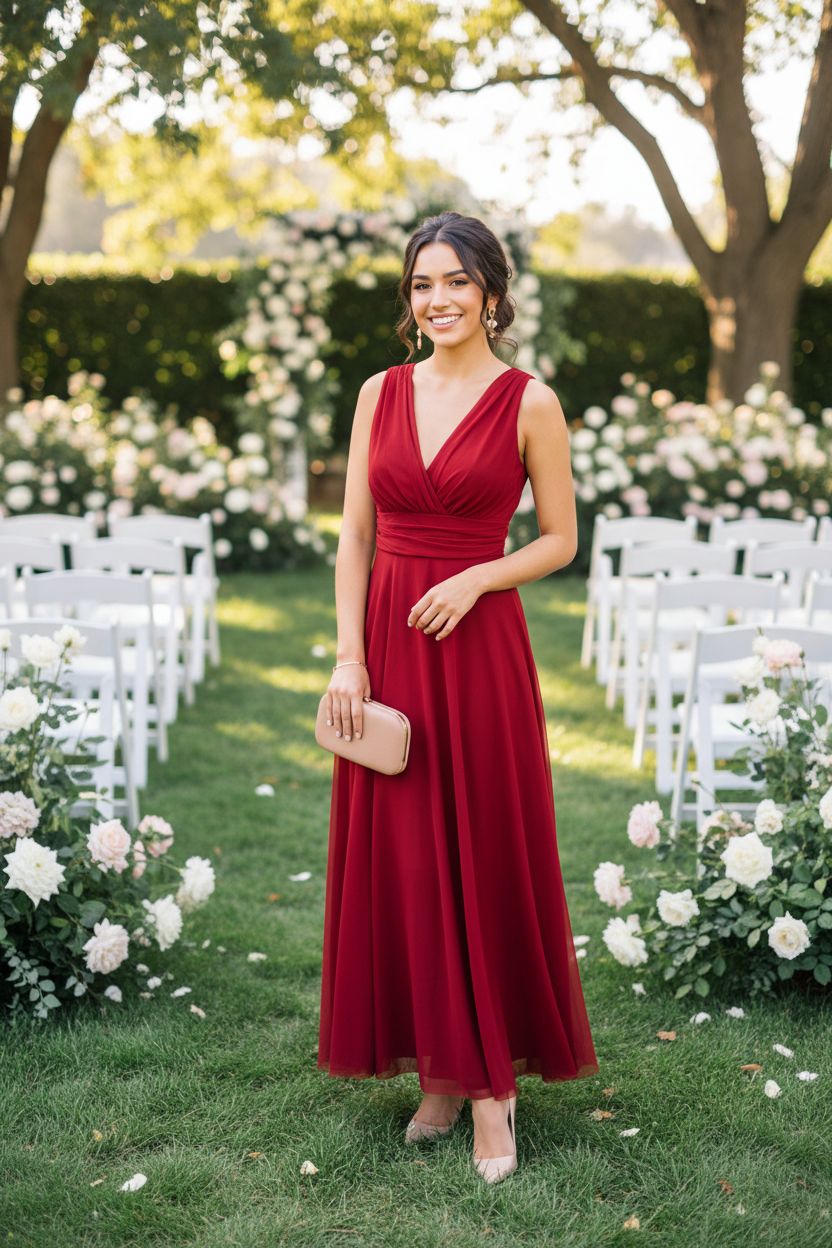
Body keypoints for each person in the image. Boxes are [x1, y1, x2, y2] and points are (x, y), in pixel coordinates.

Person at [317, 210, 599, 1183]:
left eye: (454, 282)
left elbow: (560, 538)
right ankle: (439, 1069)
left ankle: (493, 1094)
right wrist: (349, 658)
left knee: (479, 855)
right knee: (404, 859)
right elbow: (354, 535)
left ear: (490, 289)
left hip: (478, 654)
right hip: (388, 651)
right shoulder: (378, 393)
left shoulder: (530, 402)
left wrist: (478, 577)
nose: (436, 300)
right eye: (420, 284)